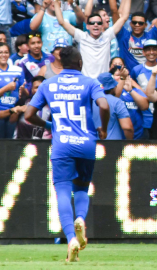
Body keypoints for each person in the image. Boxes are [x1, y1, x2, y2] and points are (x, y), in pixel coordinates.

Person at [25, 46, 110, 262]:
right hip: (86, 144)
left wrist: (50, 125)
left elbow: (28, 115)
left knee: (62, 191)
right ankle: (80, 218)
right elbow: (104, 105)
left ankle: (71, 238)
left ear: (61, 63)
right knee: (81, 188)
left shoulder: (48, 84)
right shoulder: (90, 82)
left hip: (62, 144)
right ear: (80, 62)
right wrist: (103, 128)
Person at [54, 0, 131, 78]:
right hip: (86, 81)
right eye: (92, 23)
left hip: (102, 82)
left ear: (102, 26)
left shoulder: (107, 36)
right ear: (87, 26)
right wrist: (55, 3)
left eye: (99, 23)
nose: (96, 25)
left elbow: (124, 17)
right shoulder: (82, 36)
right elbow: (62, 22)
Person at [116, 0, 157, 72]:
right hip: (128, 78)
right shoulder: (123, 35)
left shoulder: (151, 36)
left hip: (148, 77)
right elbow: (114, 12)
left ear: (145, 25)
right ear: (130, 24)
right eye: (134, 22)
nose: (137, 25)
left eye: (140, 23)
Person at [131, 39, 157, 138]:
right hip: (143, 118)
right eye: (148, 50)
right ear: (143, 52)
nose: (151, 52)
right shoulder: (136, 70)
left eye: (154, 49)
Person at [93, 72, 134, 140]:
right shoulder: (117, 102)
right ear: (113, 87)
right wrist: (129, 143)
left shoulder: (89, 101)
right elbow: (127, 127)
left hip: (92, 145)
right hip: (113, 145)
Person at [0, 42, 26, 138]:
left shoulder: (18, 70)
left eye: (6, 52)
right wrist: (6, 88)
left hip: (14, 111)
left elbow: (25, 92)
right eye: (0, 52)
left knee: (11, 142)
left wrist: (23, 90)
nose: (3, 55)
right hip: (0, 112)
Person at [113, 72, 149, 140]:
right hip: (117, 137)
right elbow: (114, 99)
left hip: (138, 135)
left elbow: (145, 106)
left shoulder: (136, 91)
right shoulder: (111, 92)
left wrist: (130, 90)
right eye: (118, 75)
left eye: (124, 76)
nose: (122, 78)